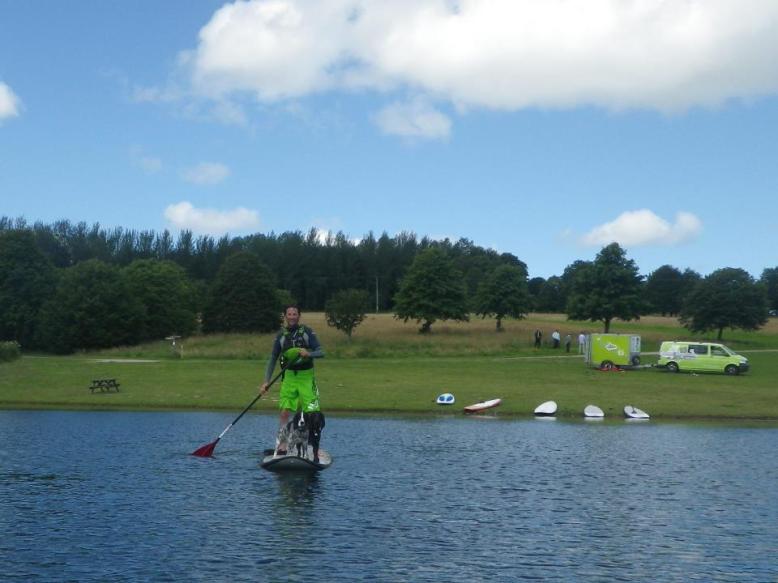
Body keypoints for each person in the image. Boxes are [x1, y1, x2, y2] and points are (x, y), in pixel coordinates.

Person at [260, 305, 324, 456]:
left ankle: (313, 446)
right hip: (288, 376)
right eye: (289, 314)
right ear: (285, 316)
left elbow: (321, 352)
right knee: (284, 412)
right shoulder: (281, 335)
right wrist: (266, 381)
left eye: (295, 314)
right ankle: (282, 445)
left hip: (306, 377)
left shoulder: (307, 332)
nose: (292, 316)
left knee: (312, 413)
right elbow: (273, 359)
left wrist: (309, 353)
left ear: (299, 316)